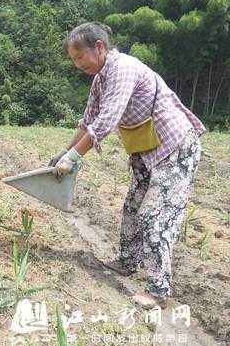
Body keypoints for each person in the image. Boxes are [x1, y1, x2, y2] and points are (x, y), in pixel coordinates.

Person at [51, 22, 205, 309]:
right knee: (133, 208)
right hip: (146, 152)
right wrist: (65, 150)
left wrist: (73, 157)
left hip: (174, 147)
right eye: (73, 59)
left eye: (79, 56)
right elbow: (87, 121)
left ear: (99, 47)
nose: (77, 64)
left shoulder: (123, 68)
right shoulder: (100, 78)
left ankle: (158, 290)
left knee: (154, 216)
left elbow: (106, 120)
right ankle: (126, 261)